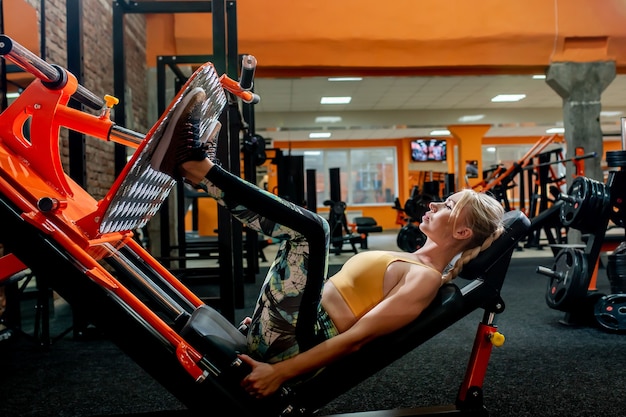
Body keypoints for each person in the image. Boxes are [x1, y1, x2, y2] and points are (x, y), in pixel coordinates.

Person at [153, 88, 505, 399]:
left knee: (314, 231)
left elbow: (358, 339)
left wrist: (280, 372)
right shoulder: (411, 260)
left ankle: (199, 168)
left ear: (462, 233)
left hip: (301, 343)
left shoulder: (426, 278)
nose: (433, 204)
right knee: (310, 233)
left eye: (447, 206)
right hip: (294, 325)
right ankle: (198, 169)